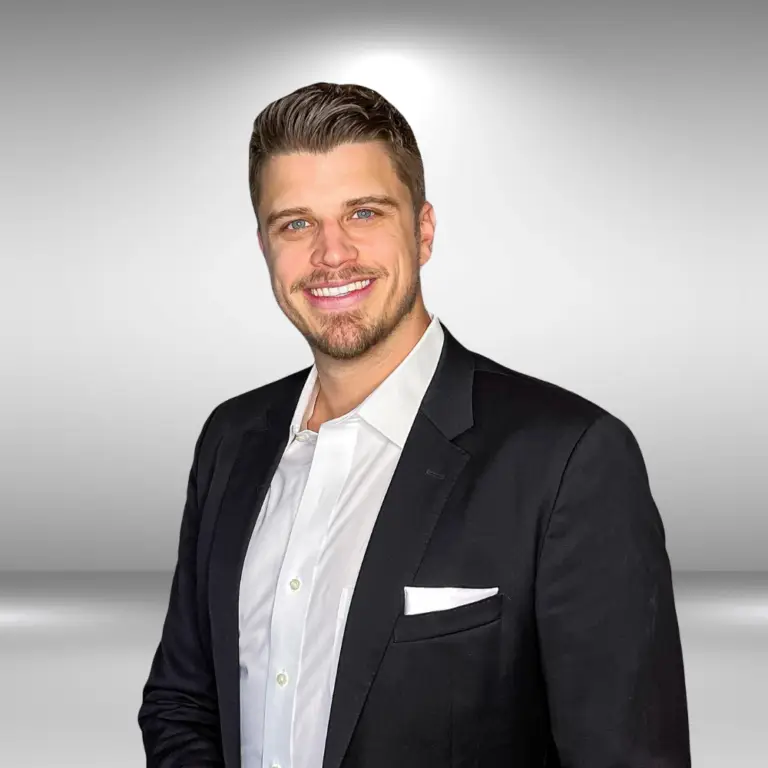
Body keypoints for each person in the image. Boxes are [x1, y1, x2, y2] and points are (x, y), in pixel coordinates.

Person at [138, 81, 691, 768]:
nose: (331, 255)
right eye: (297, 223)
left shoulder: (569, 460)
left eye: (364, 213)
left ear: (423, 230)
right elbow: (183, 702)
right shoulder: (232, 438)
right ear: (265, 246)